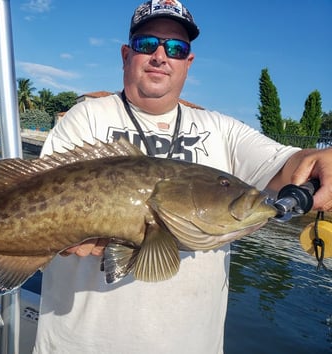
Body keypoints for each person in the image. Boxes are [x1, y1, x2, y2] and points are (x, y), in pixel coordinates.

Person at [33, 1, 332, 353]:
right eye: (147, 45)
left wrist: (321, 159)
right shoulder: (84, 119)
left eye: (176, 48)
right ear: (126, 55)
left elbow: (295, 163)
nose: (161, 56)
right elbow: (39, 201)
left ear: (187, 63)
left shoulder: (223, 130)